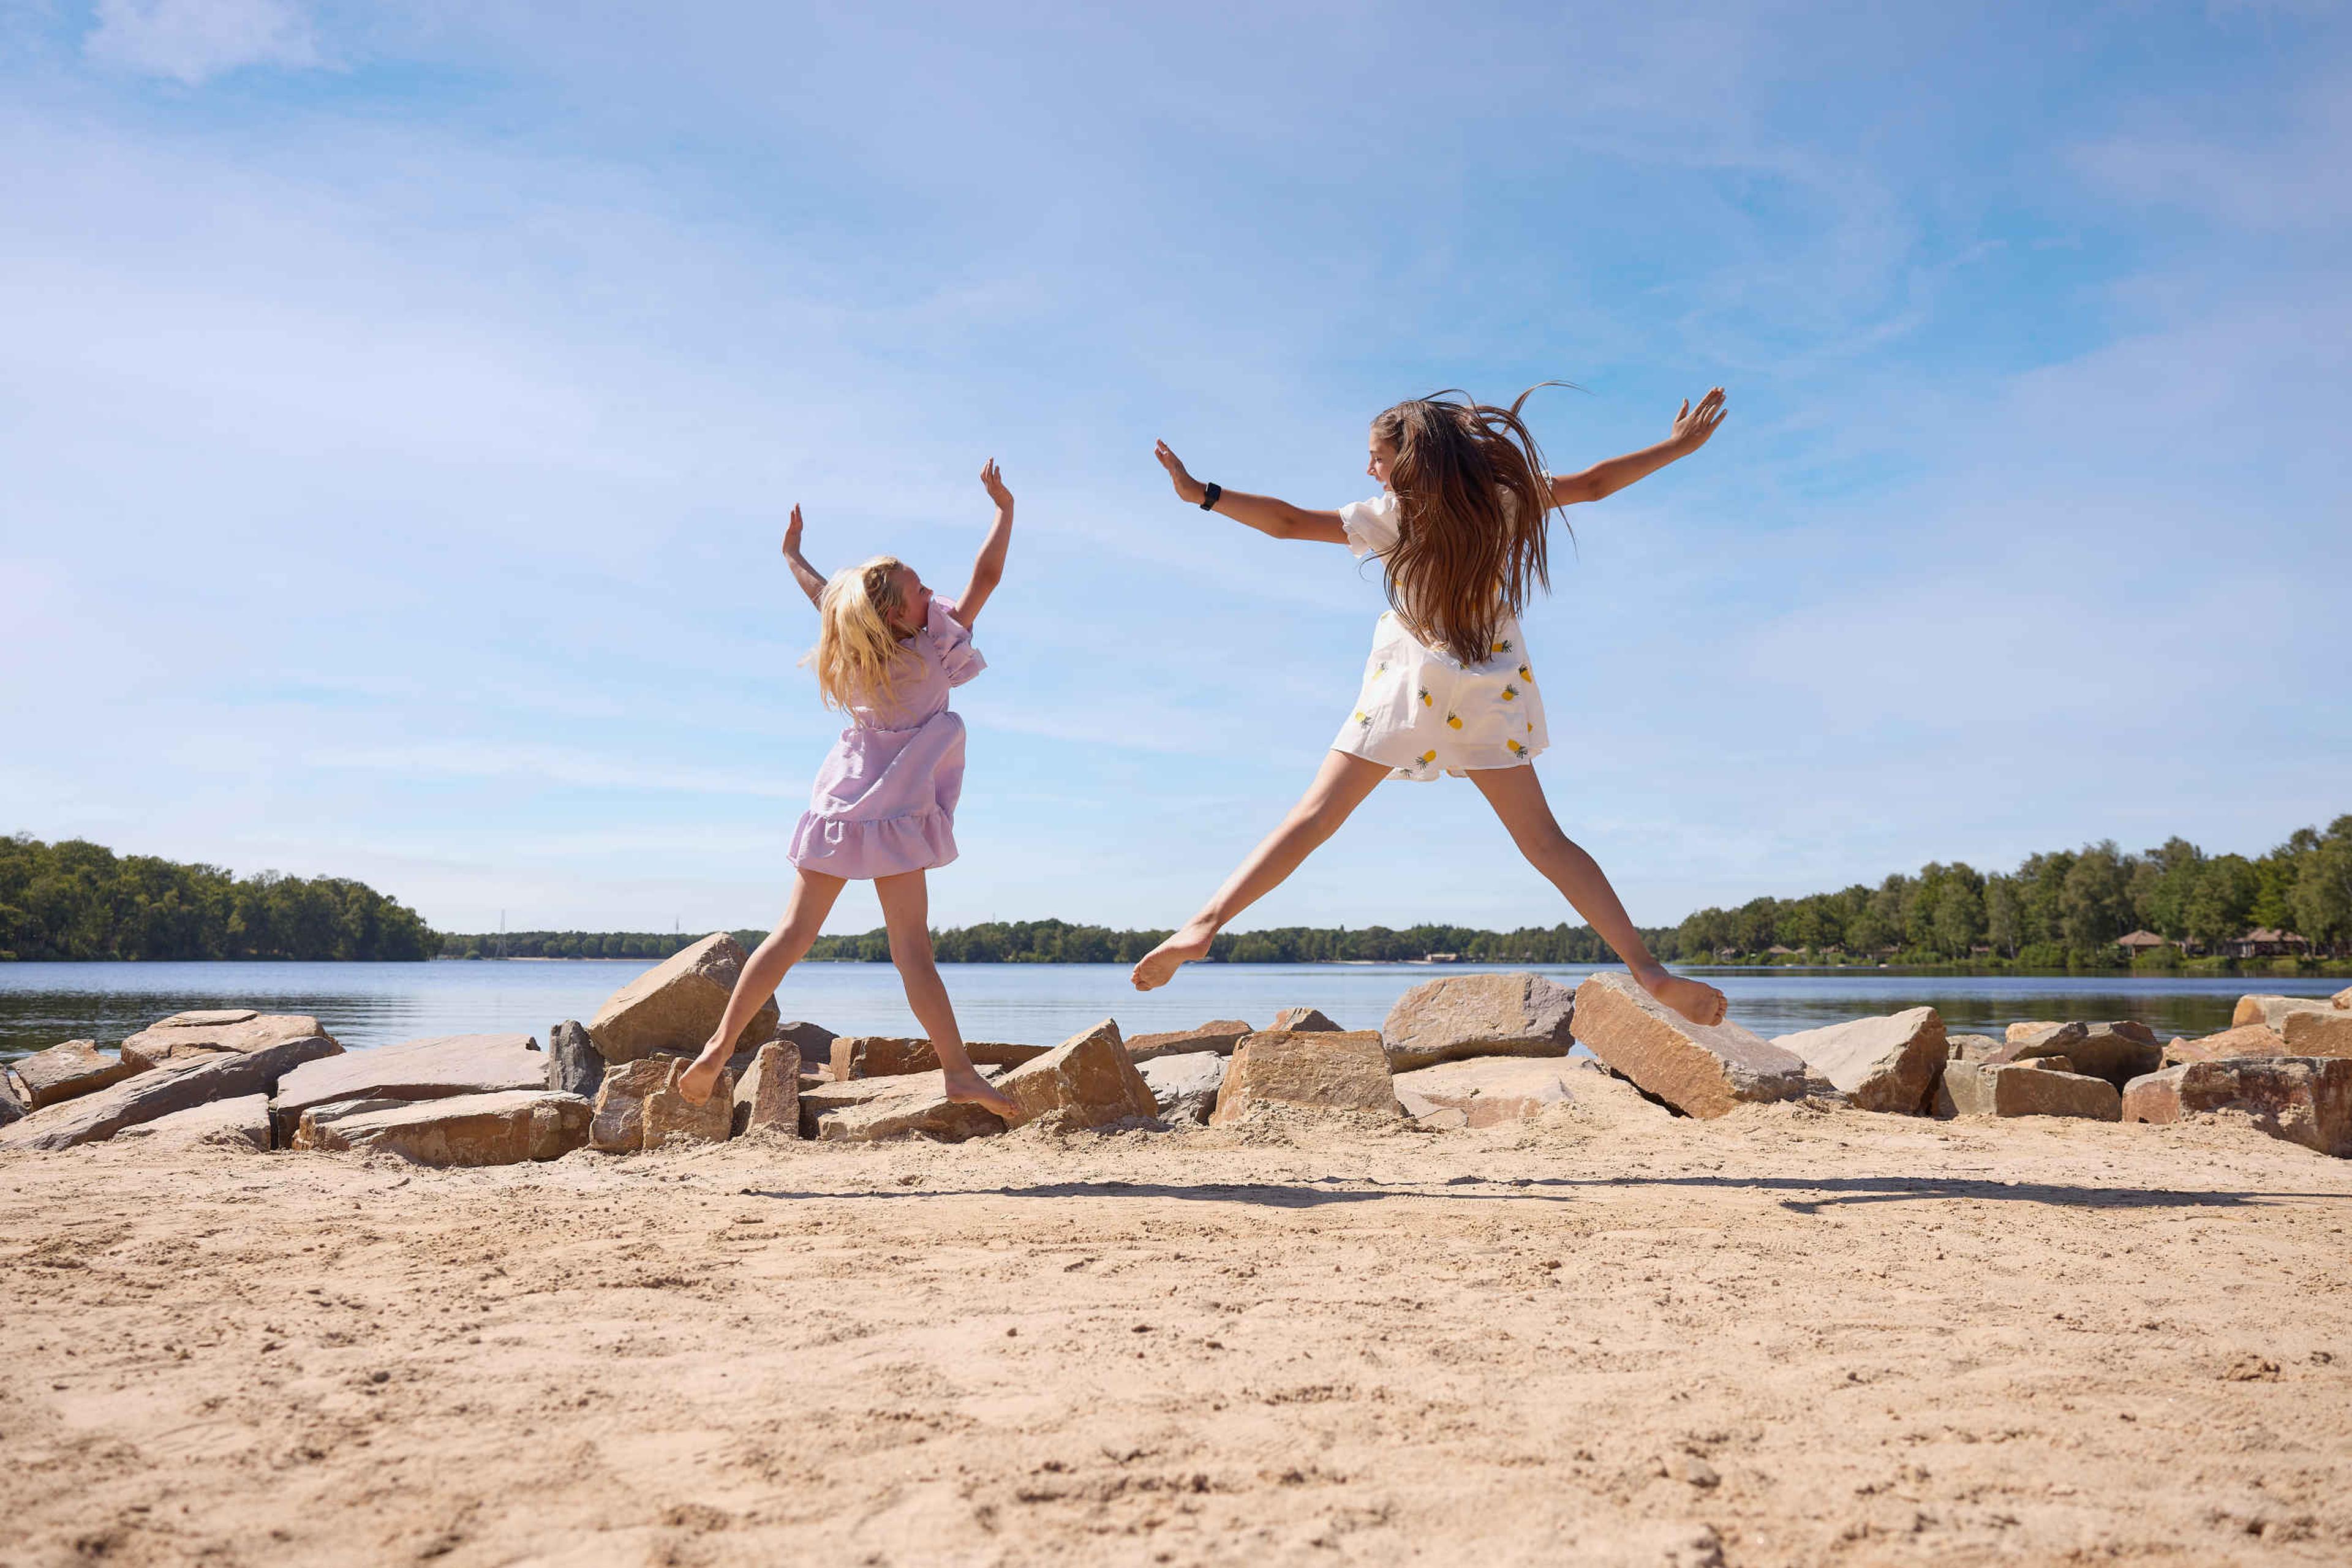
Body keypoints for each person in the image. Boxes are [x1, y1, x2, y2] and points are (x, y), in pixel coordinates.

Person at [1131, 386, 1733, 1027]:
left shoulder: (1390, 517)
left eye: (1377, 456)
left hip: (1410, 683)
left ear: (1409, 456)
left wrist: (1203, 494)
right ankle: (1648, 969)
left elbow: (1284, 522)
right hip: (1486, 687)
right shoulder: (1502, 500)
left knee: (1312, 817)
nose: (1371, 469)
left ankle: (1204, 924)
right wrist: (1677, 447)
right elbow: (1595, 484)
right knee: (1548, 844)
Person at [678, 462, 1022, 1117]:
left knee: (789, 935)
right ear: (896, 614)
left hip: (843, 800)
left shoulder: (860, 657)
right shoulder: (930, 652)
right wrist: (1004, 512)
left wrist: (792, 554)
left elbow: (822, 596)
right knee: (912, 953)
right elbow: (988, 577)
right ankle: (957, 1071)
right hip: (896, 809)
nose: (933, 594)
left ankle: (720, 1047)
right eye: (921, 588)